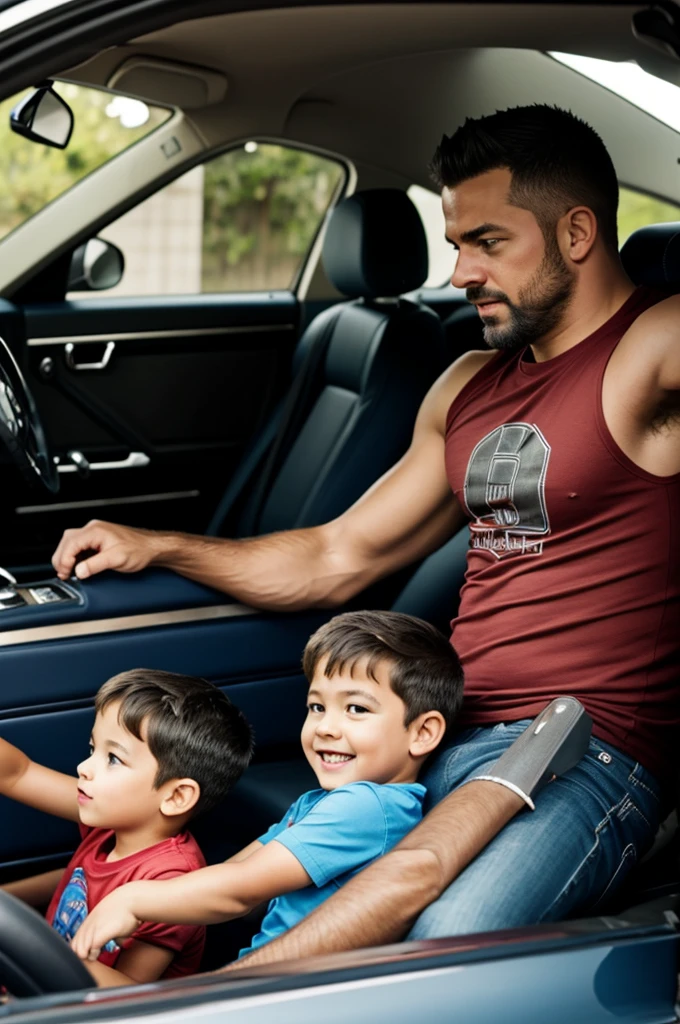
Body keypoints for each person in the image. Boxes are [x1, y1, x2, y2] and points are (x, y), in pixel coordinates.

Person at [51, 104, 679, 959]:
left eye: (488, 242)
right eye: (456, 243)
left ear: (577, 233)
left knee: (443, 945)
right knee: (316, 929)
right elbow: (338, 555)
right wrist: (161, 545)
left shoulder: (653, 343)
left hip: (588, 746)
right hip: (435, 732)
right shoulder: (466, 384)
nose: (460, 272)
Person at [69, 610, 463, 964]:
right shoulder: (326, 803)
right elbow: (235, 872)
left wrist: (133, 899)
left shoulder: (369, 808)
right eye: (317, 707)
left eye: (356, 709)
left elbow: (239, 892)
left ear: (423, 732)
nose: (325, 726)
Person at [0, 669, 253, 987]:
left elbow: (129, 991)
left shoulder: (172, 883)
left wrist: (27, 949)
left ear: (176, 796)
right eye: (93, 750)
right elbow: (17, 774)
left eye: (113, 759)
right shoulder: (111, 822)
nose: (84, 768)